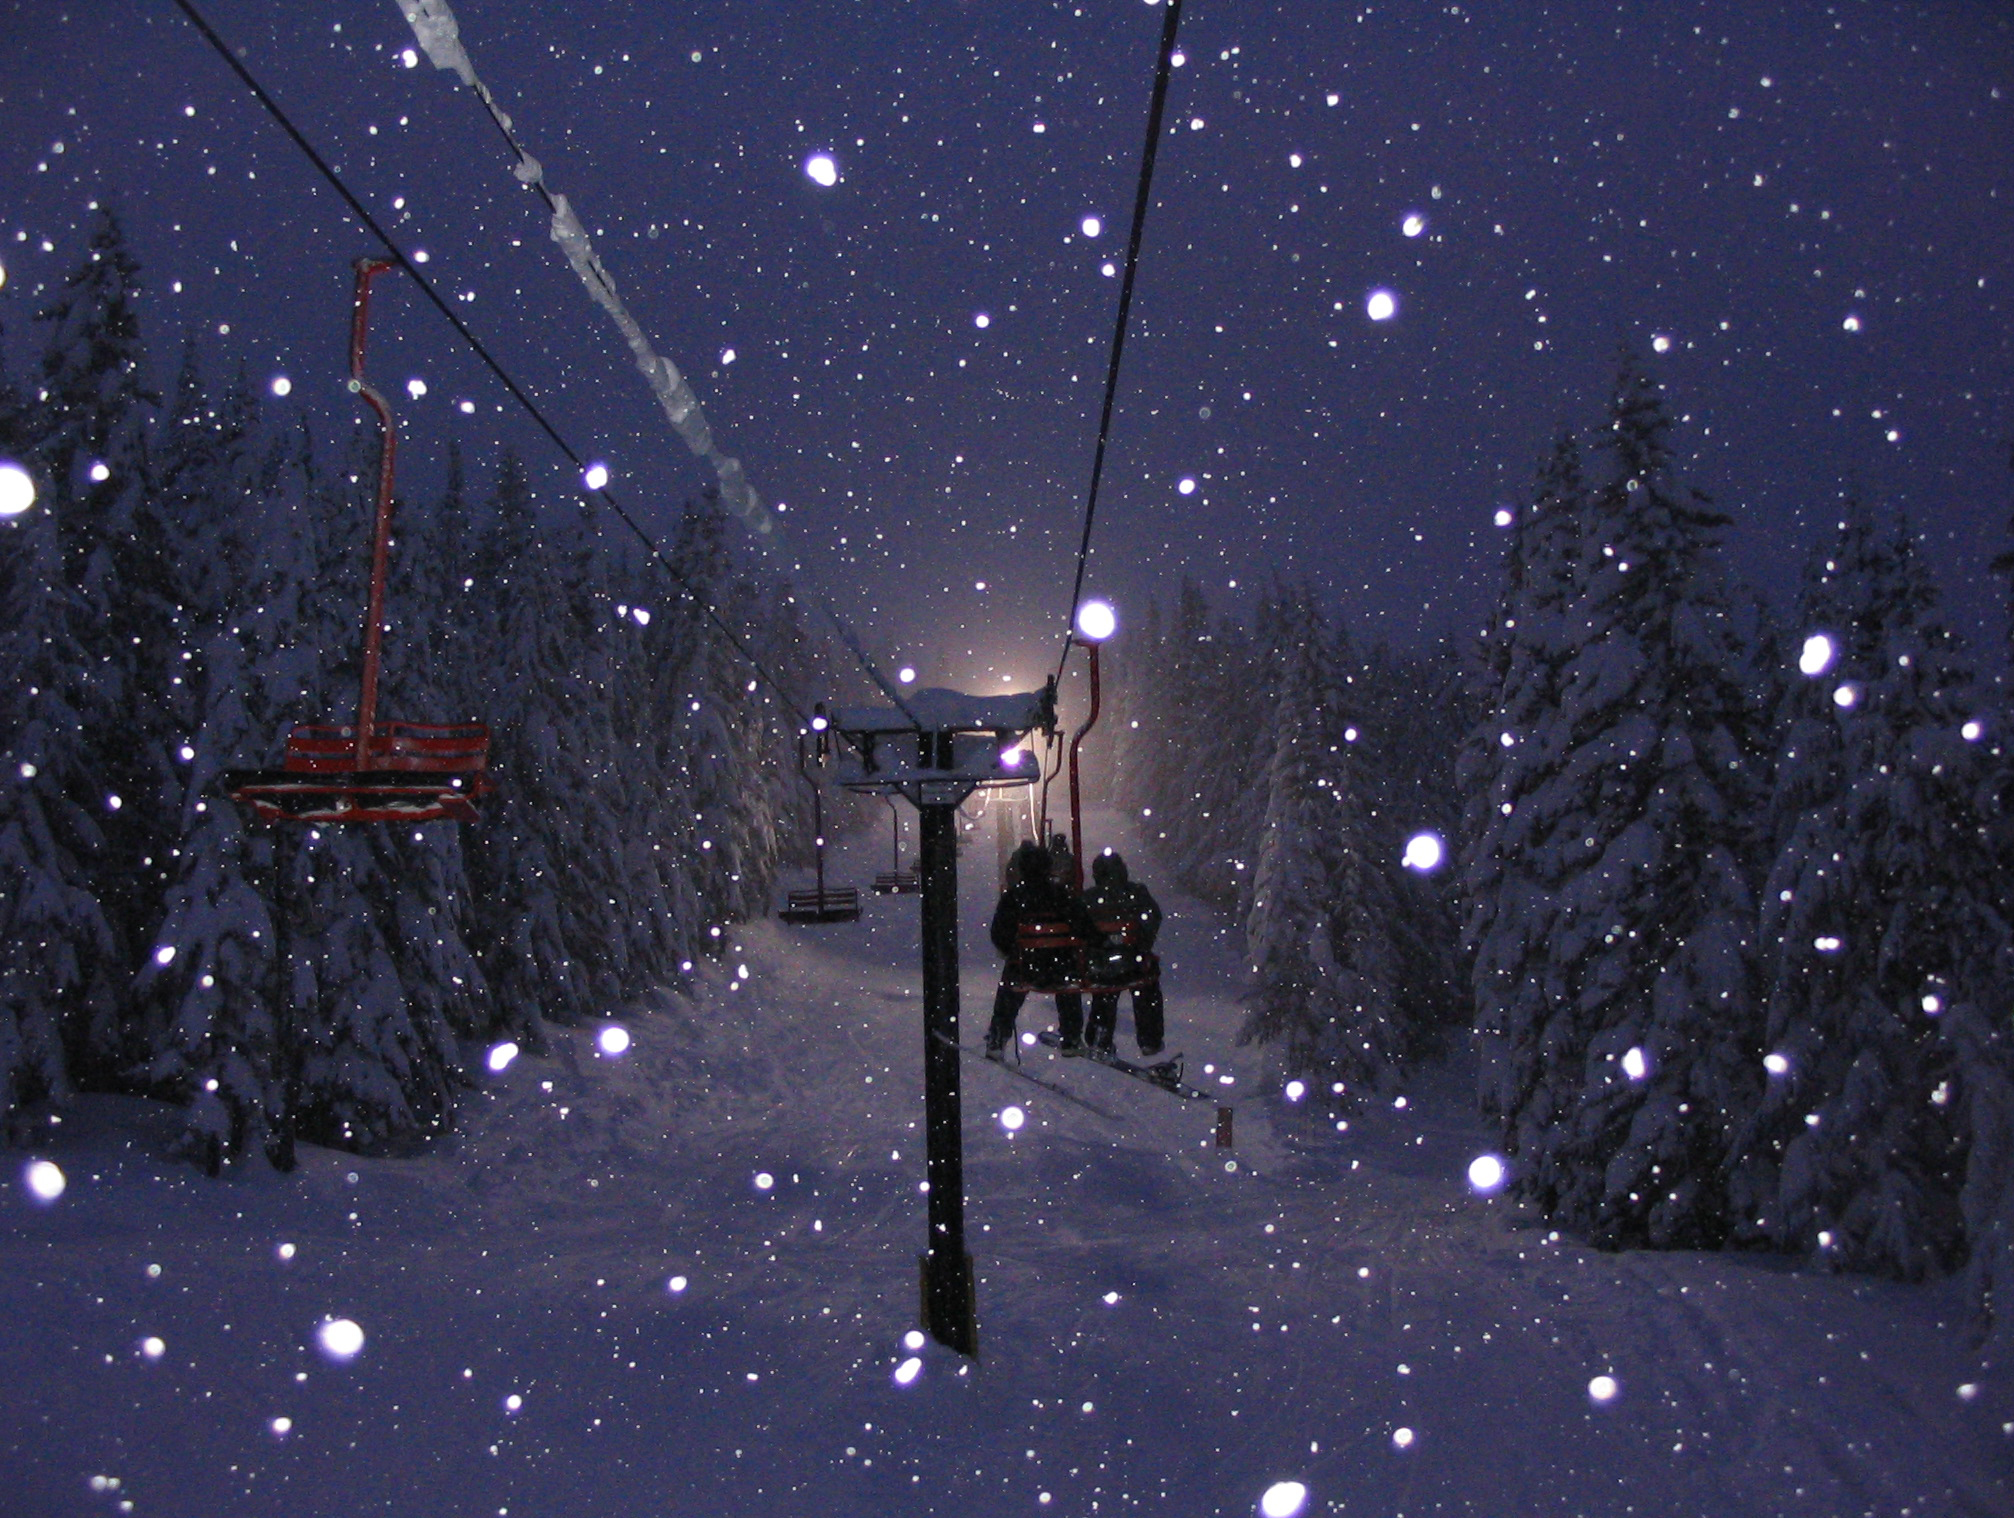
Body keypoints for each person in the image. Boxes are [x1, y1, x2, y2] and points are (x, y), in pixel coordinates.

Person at [986, 841, 1103, 1057]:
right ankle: (1072, 1036)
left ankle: (997, 1036)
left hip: (1025, 968)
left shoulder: (1013, 898)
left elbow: (999, 933)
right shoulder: (1063, 896)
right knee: (1069, 982)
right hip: (1060, 970)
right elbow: (1087, 929)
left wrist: (1014, 951)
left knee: (1010, 984)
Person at [1082, 850, 1166, 1057]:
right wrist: (1141, 946)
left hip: (1100, 965)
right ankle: (1150, 1039)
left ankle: (1100, 1036)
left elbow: (1079, 928)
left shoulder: (1088, 898)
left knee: (1105, 992)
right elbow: (1152, 918)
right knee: (1146, 988)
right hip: (1133, 964)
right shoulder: (1137, 893)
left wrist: (1095, 949)